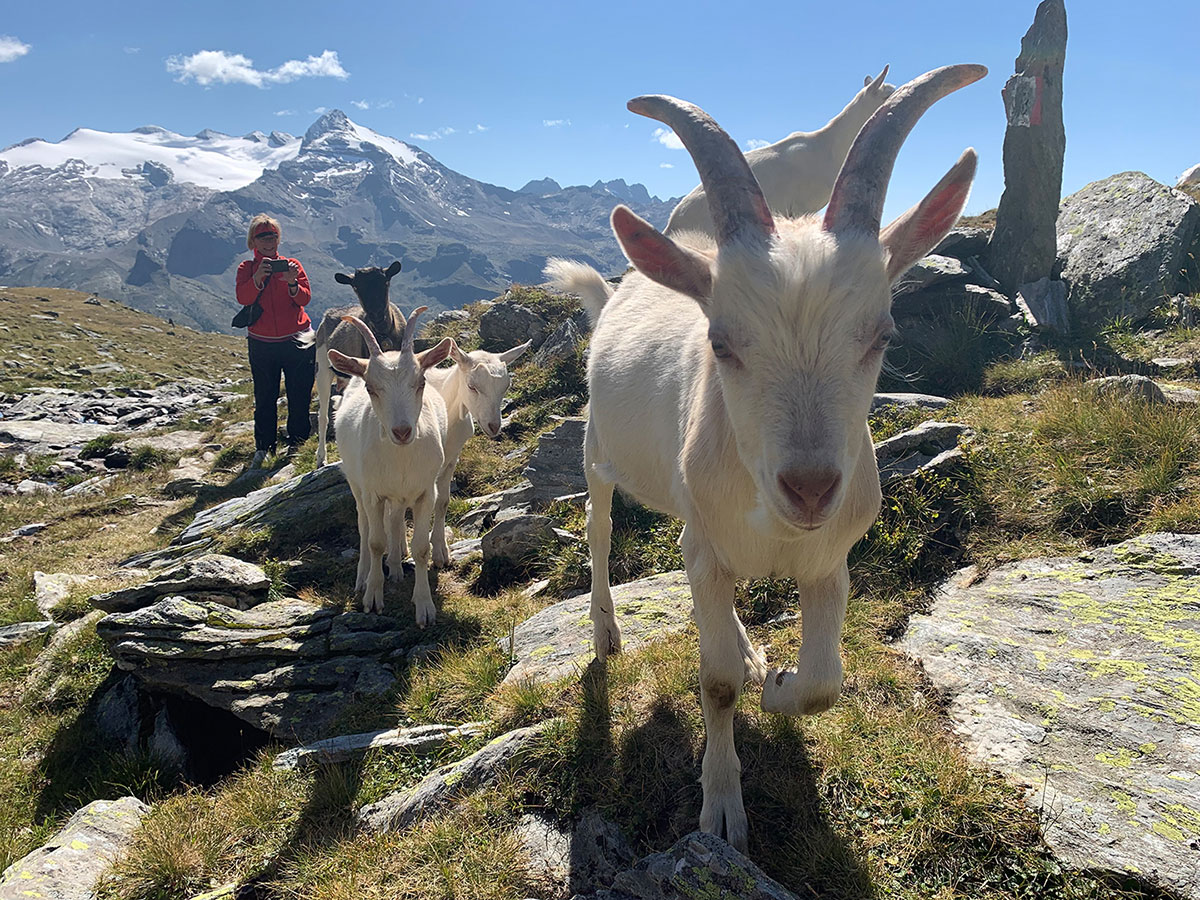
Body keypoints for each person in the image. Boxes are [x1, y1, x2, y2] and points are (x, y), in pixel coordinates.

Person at [235, 214, 316, 468]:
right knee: (265, 396)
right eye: (262, 236)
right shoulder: (246, 269)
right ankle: (264, 448)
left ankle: (298, 444)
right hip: (262, 344)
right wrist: (258, 277)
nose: (269, 240)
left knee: (299, 395)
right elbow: (243, 298)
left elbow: (304, 299)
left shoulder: (292, 265)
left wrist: (292, 282)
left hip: (297, 340)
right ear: (253, 242)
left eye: (273, 236)